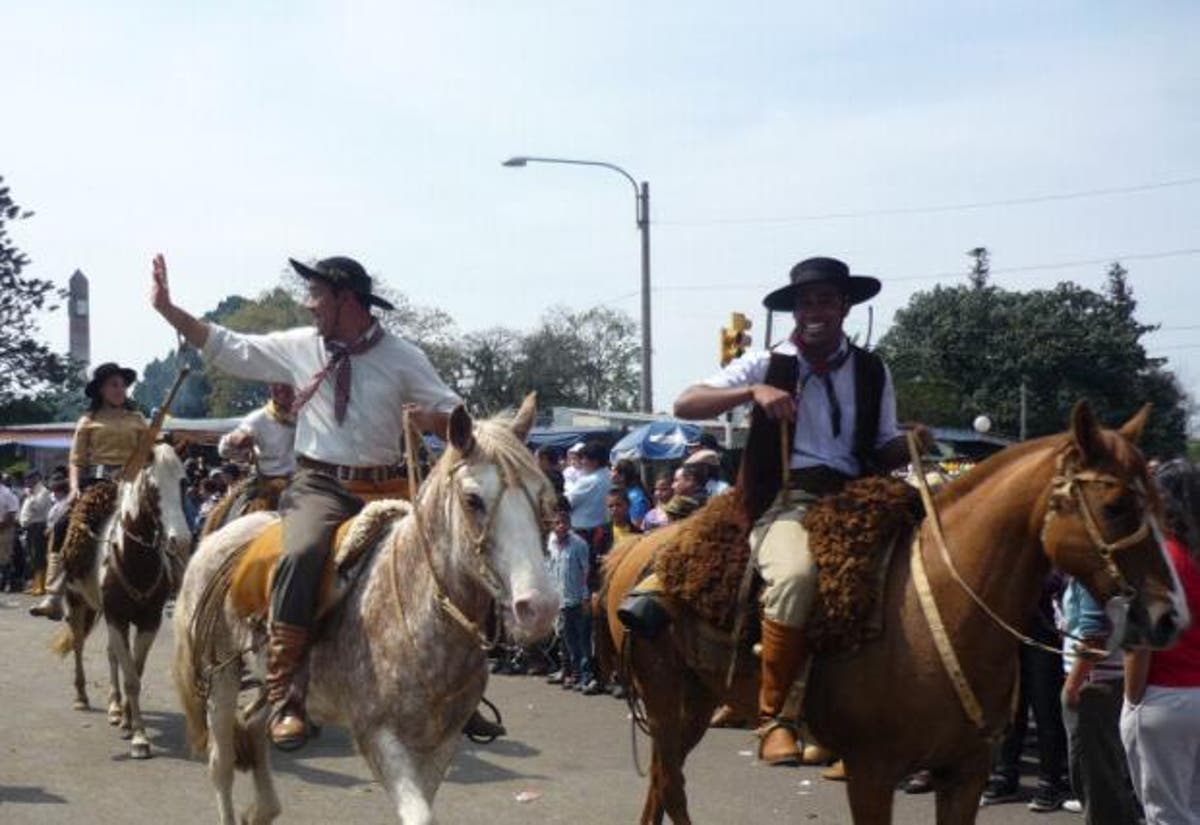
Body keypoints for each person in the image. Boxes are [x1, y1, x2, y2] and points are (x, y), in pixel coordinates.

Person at [151, 253, 470, 750]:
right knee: (301, 553)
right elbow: (232, 348)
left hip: (388, 486)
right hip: (322, 486)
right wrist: (171, 311)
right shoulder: (300, 347)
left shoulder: (404, 356)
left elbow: (454, 411)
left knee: (452, 555)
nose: (308, 305)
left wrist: (435, 420)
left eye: (316, 295)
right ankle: (286, 690)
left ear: (346, 299)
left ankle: (458, 685)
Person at [673, 256, 928, 766]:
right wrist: (753, 391)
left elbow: (881, 446)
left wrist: (911, 443)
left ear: (845, 306)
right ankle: (775, 718)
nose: (815, 310)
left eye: (826, 300)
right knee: (795, 577)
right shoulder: (768, 363)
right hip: (786, 499)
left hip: (856, 498)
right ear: (794, 310)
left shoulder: (873, 368)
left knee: (918, 574)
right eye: (806, 301)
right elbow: (685, 403)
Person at [31, 362, 149, 620]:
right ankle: (54, 594)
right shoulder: (88, 420)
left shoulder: (139, 419)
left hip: (133, 485)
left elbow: (150, 453)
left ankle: (175, 577)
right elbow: (76, 460)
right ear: (101, 390)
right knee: (63, 524)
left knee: (166, 519)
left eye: (122, 385)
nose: (120, 390)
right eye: (113, 385)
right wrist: (74, 488)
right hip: (96, 485)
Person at [1120, 459, 1200, 824]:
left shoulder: (1158, 562)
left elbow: (1140, 645)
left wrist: (1132, 699)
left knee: (1166, 814)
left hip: (1164, 699)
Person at [1059, 575, 1140, 825]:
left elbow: (1095, 635)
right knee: (1110, 775)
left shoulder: (1091, 578)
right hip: (1111, 679)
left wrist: (1072, 687)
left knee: (1095, 780)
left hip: (1093, 684)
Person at [546, 502, 595, 693]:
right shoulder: (551, 543)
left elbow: (586, 572)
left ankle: (587, 676)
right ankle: (574, 674)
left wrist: (585, 597)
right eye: (557, 523)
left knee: (583, 640)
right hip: (561, 600)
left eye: (564, 523)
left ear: (569, 524)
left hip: (578, 599)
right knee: (568, 641)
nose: (560, 527)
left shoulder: (579, 544)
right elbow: (549, 569)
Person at [564, 442, 611, 549]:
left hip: (583, 530)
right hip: (604, 527)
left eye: (584, 459)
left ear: (595, 461)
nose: (582, 462)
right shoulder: (609, 475)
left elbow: (568, 502)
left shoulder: (588, 481)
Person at [19, 471, 53, 595]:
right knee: (32, 557)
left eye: (29, 479)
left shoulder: (43, 492)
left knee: (38, 556)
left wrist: (30, 497)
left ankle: (41, 586)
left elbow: (38, 508)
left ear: (36, 479)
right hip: (30, 527)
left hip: (39, 526)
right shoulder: (32, 492)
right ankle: (35, 584)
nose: (26, 482)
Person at [611, 459, 651, 527]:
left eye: (613, 471)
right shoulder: (626, 492)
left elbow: (637, 524)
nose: (610, 474)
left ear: (622, 476)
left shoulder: (635, 497)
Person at [0, 478, 18, 592]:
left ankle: (8, 583)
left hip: (5, 528)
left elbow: (12, 511)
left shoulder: (7, 493)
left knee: (6, 556)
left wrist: (2, 526)